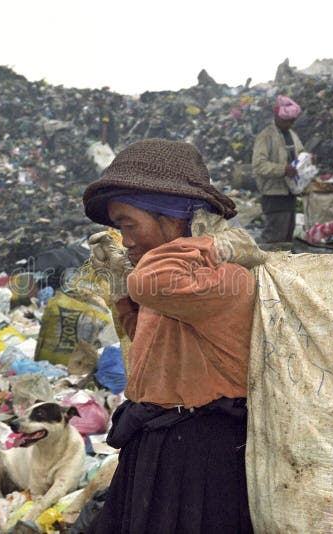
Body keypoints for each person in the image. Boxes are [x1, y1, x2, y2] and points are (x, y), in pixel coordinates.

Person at [82, 139, 260, 533]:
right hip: (159, 443)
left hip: (199, 455)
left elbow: (150, 282)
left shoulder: (221, 278)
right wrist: (119, 289)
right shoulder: (173, 283)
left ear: (173, 216)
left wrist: (209, 244)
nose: (124, 240)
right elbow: (150, 341)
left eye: (129, 225)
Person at [251, 95, 304, 243]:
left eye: (292, 121)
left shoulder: (291, 134)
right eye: (286, 121)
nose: (289, 124)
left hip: (290, 193)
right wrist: (284, 169)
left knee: (287, 237)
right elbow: (259, 165)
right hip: (274, 194)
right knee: (274, 238)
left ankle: (282, 265)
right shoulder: (266, 136)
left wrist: (307, 160)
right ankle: (264, 265)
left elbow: (299, 153)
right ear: (277, 116)